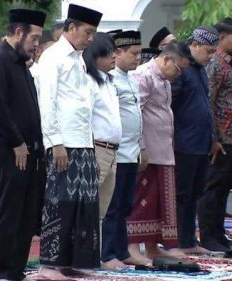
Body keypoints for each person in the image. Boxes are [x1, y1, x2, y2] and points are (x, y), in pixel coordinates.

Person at [36, 4, 102, 280]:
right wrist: (56, 142)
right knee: (59, 203)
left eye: (93, 34)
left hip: (83, 143)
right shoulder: (53, 57)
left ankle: (71, 262)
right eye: (87, 32)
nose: (90, 39)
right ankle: (48, 265)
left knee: (83, 206)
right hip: (63, 144)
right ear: (70, 28)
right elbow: (47, 102)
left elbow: (83, 106)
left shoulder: (79, 59)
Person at [0, 8, 46, 281]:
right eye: (34, 37)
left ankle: (16, 269)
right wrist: (17, 142)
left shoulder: (22, 63)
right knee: (9, 212)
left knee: (27, 213)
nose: (36, 44)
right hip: (13, 152)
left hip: (32, 152)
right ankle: (1, 269)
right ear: (18, 33)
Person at [127, 41, 190, 261]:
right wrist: (141, 147)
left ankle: (153, 248)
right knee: (142, 201)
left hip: (163, 150)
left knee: (157, 204)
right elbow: (137, 114)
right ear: (166, 59)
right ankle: (133, 248)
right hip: (148, 151)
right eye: (178, 69)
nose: (178, 75)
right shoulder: (143, 76)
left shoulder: (163, 79)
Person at [197, 18, 232, 253]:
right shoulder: (215, 64)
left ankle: (219, 235)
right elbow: (209, 101)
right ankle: (209, 237)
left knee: (225, 188)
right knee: (214, 188)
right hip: (222, 138)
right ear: (221, 38)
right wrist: (214, 138)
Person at [171, 26, 219, 255]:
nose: (210, 57)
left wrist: (213, 138)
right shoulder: (183, 69)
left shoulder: (200, 71)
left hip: (201, 144)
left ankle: (190, 241)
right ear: (195, 45)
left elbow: (204, 107)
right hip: (183, 143)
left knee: (195, 194)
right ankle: (179, 242)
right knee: (182, 194)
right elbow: (172, 104)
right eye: (208, 51)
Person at [101, 30, 146, 269]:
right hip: (116, 151)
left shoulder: (132, 78)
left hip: (131, 151)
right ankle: (107, 254)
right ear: (118, 53)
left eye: (139, 53)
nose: (138, 58)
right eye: (133, 53)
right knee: (112, 204)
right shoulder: (110, 79)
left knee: (126, 204)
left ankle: (121, 250)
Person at [82, 32, 123, 269]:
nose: (114, 56)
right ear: (95, 55)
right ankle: (85, 256)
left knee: (101, 209)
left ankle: (95, 256)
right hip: (97, 148)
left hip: (113, 150)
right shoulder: (89, 81)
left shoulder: (109, 81)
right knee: (89, 207)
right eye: (109, 53)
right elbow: (86, 119)